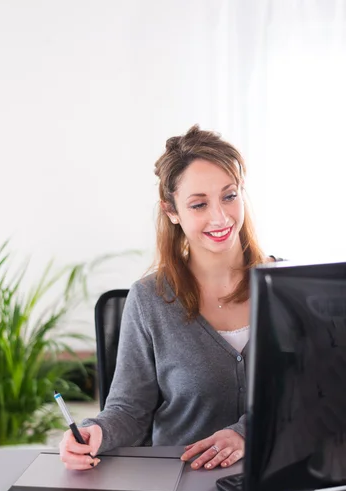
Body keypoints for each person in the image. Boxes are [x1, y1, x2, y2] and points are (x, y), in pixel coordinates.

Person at [59, 124, 273, 472]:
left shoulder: (288, 287)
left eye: (229, 196)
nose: (219, 216)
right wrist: (92, 432)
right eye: (199, 204)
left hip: (277, 482)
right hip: (181, 486)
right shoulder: (149, 300)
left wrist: (246, 433)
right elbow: (129, 410)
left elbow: (317, 397)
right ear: (172, 211)